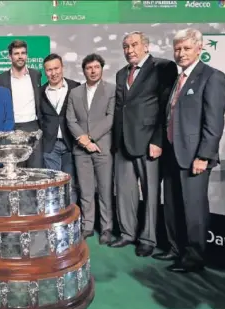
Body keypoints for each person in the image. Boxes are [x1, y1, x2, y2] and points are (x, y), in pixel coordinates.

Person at [158, 28, 225, 273]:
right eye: (177, 48)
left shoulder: (212, 77)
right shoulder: (178, 78)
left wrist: (204, 155)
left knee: (193, 208)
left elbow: (214, 122)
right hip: (172, 154)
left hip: (194, 156)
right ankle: (176, 249)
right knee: (173, 205)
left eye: (186, 48)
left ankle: (194, 256)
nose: (181, 53)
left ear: (200, 49)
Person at [110, 31, 178, 257]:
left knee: (150, 194)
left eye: (134, 45)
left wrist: (158, 140)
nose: (129, 50)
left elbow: (165, 106)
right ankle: (128, 234)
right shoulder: (121, 74)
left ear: (146, 47)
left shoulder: (163, 67)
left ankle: (148, 238)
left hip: (149, 142)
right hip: (123, 143)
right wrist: (115, 142)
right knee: (125, 192)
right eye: (126, 46)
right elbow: (121, 108)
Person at [66, 54, 115, 245]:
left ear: (102, 68)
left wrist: (91, 138)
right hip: (81, 149)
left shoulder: (111, 89)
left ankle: (107, 228)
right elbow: (71, 120)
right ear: (84, 70)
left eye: (96, 67)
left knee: (104, 190)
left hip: (102, 148)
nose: (93, 71)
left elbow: (110, 118)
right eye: (89, 68)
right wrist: (84, 141)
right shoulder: (75, 92)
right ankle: (87, 226)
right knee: (85, 191)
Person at [0, 39, 43, 168]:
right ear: (10, 56)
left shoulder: (35, 74)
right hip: (12, 128)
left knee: (35, 171)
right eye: (16, 53)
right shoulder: (0, 79)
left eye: (23, 53)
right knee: (16, 172)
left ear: (26, 55)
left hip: (33, 127)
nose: (20, 56)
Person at [39, 53, 81, 203]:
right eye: (49, 70)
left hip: (71, 143)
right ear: (45, 71)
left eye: (56, 68)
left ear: (62, 67)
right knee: (52, 186)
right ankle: (55, 221)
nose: (53, 73)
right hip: (50, 145)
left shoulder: (76, 87)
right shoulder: (40, 91)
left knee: (71, 185)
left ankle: (70, 222)